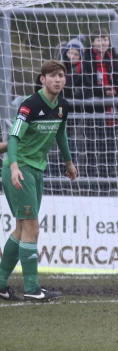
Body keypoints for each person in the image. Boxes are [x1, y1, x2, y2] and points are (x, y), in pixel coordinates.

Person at [0, 60, 78, 302]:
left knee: (22, 228)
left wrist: (68, 162)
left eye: (61, 75)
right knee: (32, 227)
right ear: (42, 79)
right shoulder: (30, 104)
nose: (58, 79)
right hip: (20, 168)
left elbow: (61, 133)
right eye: (52, 75)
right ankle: (33, 289)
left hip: (37, 170)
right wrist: (13, 167)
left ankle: (1, 284)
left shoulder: (63, 106)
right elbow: (13, 137)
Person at [85, 28, 118, 99]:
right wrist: (103, 91)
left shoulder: (114, 57)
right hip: (93, 102)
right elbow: (86, 84)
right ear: (92, 43)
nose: (103, 43)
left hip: (113, 99)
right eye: (99, 40)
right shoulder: (86, 59)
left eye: (105, 40)